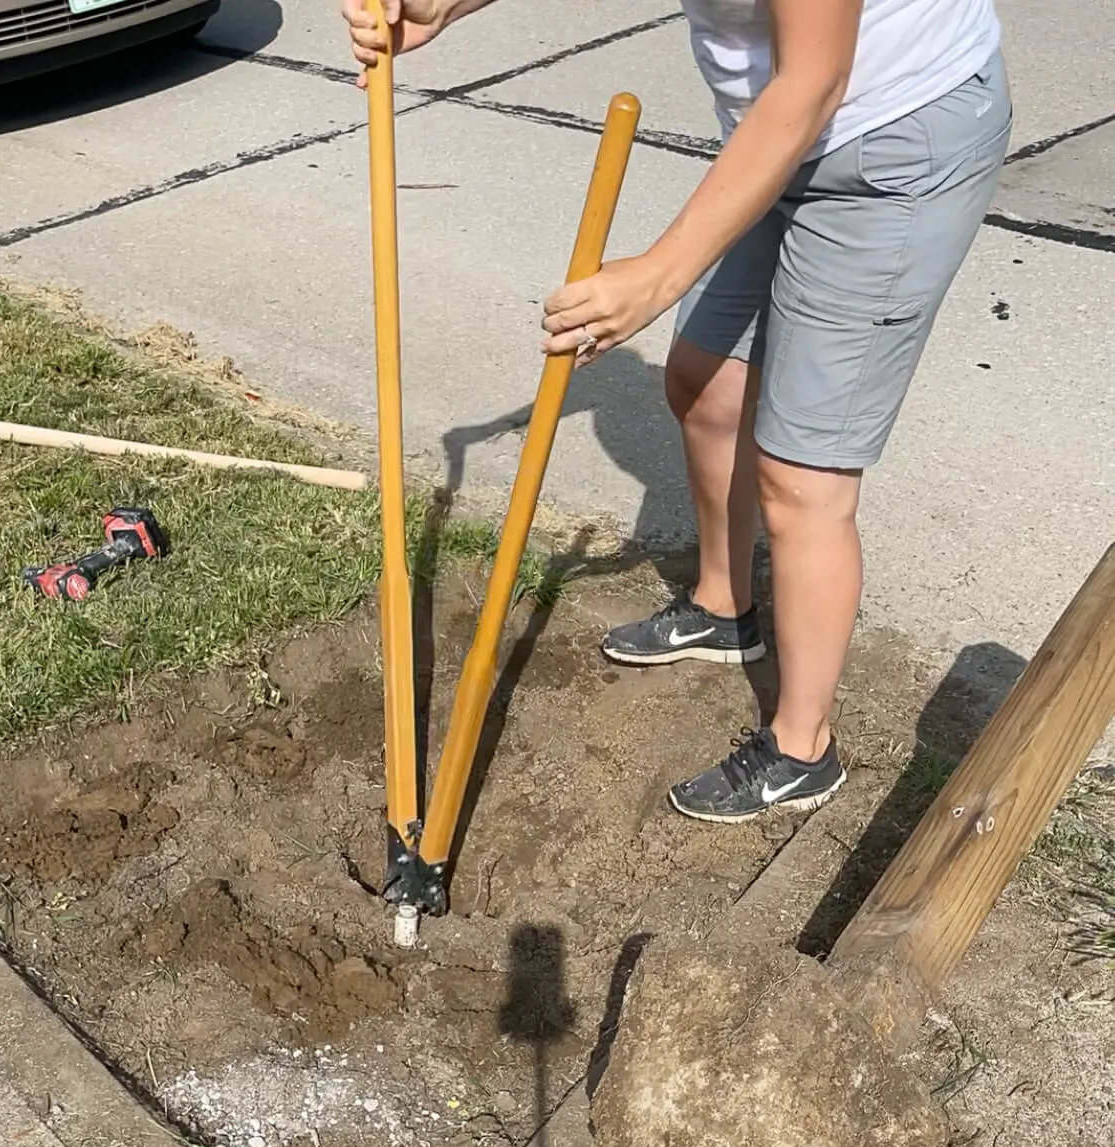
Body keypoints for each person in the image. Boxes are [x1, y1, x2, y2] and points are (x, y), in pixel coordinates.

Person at [345, 0, 1011, 823]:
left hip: (891, 137)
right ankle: (726, 609)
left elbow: (815, 81)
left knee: (801, 475)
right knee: (704, 381)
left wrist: (658, 277)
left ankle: (803, 747)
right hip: (774, 131)